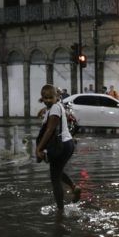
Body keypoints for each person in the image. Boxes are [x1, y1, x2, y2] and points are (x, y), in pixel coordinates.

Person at [36, 84, 81, 213]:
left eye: (50, 97)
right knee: (57, 172)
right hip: (67, 144)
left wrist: (39, 148)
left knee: (55, 178)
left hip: (61, 146)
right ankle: (74, 187)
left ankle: (60, 211)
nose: (48, 100)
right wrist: (44, 109)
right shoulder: (56, 106)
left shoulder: (55, 108)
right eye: (45, 98)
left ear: (56, 97)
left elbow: (50, 130)